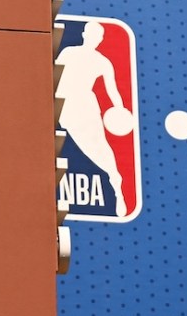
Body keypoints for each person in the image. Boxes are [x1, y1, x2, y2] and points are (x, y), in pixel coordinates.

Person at [54, 20, 131, 214]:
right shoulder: (68, 52)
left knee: (99, 147)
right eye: (92, 34)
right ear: (84, 35)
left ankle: (117, 185)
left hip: (85, 106)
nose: (95, 39)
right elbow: (54, 74)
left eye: (99, 36)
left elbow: (112, 90)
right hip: (61, 102)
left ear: (101, 39)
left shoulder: (102, 62)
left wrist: (120, 109)